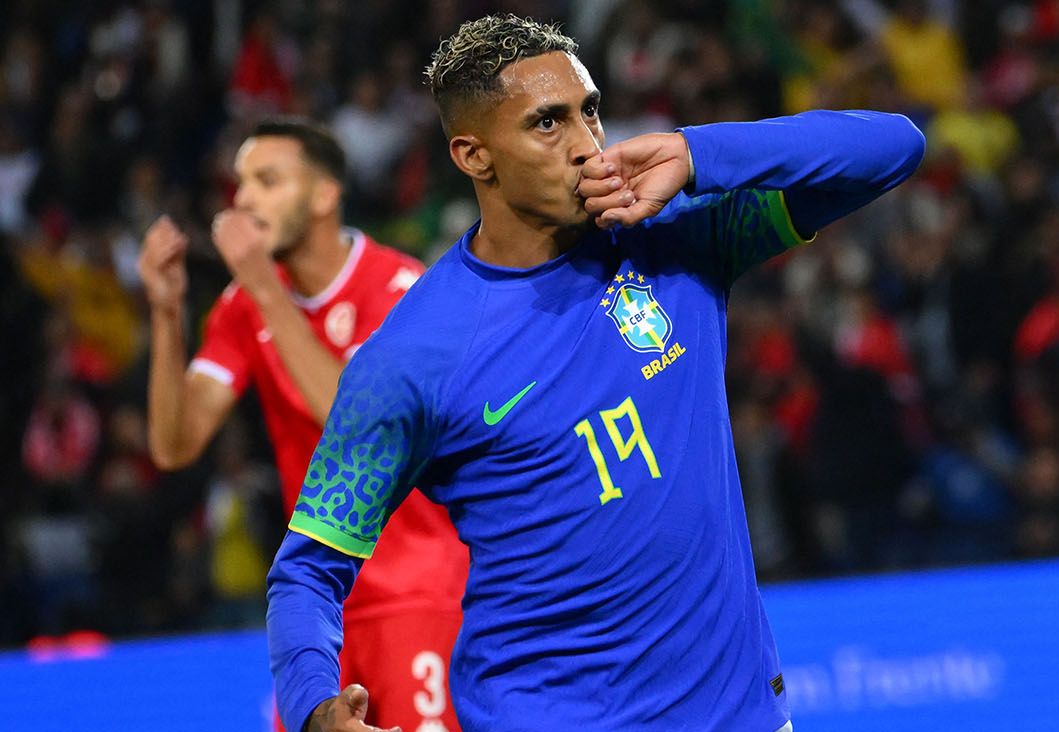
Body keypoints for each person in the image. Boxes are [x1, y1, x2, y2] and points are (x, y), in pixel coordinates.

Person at [267, 15, 923, 732]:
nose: (586, 143)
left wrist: (698, 153)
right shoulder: (412, 357)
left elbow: (892, 147)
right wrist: (317, 709)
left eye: (591, 111)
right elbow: (308, 569)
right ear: (474, 155)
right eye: (548, 123)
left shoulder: (676, 236)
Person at [136, 118, 467, 732]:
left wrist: (263, 286)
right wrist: (165, 311)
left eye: (267, 181)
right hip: (317, 608)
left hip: (416, 593)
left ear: (323, 195)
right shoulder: (243, 306)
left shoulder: (398, 288)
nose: (244, 199)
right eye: (240, 183)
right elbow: (174, 445)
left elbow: (359, 420)